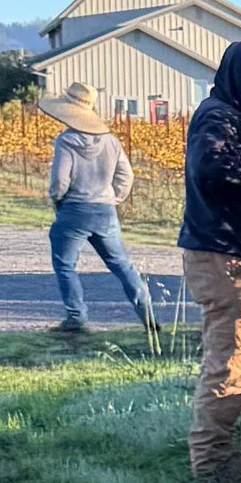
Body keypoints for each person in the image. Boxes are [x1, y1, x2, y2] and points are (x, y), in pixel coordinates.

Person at [177, 40, 241, 483]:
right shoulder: (218, 117)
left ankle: (217, 457)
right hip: (222, 254)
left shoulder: (236, 118)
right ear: (240, 76)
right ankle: (212, 469)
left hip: (231, 252)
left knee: (238, 358)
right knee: (232, 360)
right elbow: (211, 169)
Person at [45, 87, 151, 338]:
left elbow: (60, 180)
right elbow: (126, 175)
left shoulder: (66, 141)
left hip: (74, 209)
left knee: (66, 265)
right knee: (122, 264)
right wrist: (115, 197)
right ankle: (148, 316)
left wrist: (55, 198)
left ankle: (76, 317)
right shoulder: (111, 142)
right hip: (105, 210)